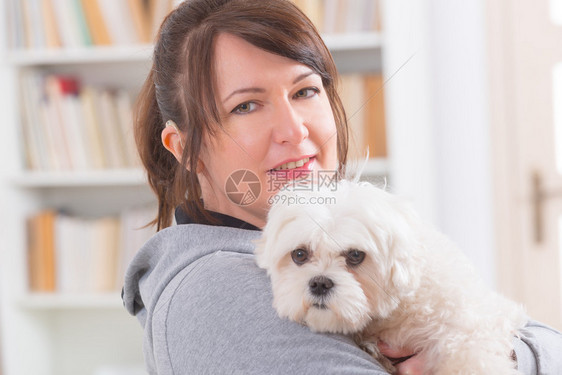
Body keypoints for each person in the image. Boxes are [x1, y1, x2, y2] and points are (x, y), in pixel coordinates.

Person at [122, 0, 562, 374]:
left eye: (304, 91)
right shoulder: (222, 291)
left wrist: (499, 353)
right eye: (247, 105)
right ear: (185, 148)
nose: (294, 131)